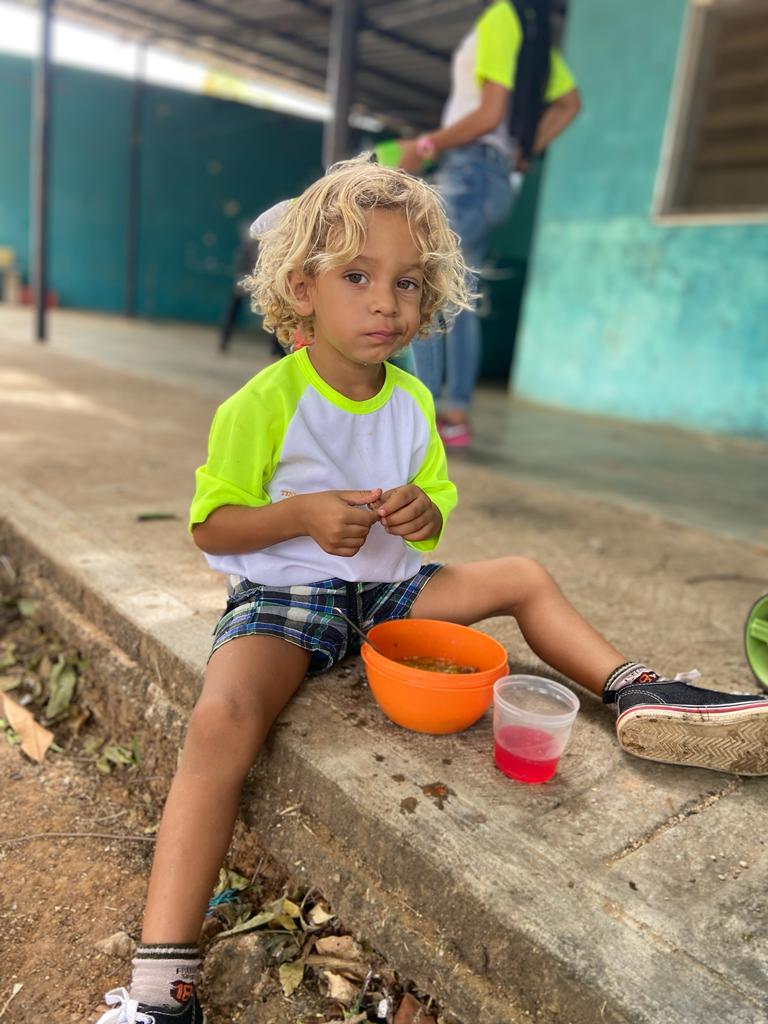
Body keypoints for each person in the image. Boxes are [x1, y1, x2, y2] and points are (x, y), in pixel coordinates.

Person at [97, 156, 768, 1024]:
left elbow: (437, 511)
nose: (387, 302)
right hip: (289, 602)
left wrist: (419, 512)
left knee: (523, 574)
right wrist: (298, 515)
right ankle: (163, 992)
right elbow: (210, 527)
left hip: (389, 593)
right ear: (302, 289)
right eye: (358, 276)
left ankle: (641, 692)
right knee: (220, 721)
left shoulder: (413, 405)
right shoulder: (260, 405)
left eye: (408, 283)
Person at [396, 0, 582, 448]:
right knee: (455, 296)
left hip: (471, 171)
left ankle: (421, 418)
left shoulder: (503, 18)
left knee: (427, 285)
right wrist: (521, 152)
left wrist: (423, 145)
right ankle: (453, 415)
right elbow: (570, 104)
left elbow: (488, 114)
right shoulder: (531, 31)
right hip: (490, 175)